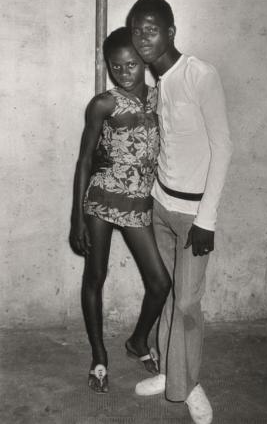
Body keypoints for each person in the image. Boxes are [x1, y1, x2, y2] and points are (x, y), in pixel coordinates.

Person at [127, 0, 233, 424]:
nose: (142, 38)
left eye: (150, 29)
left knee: (187, 302)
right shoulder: (156, 86)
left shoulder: (199, 75)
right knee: (170, 293)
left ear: (171, 31)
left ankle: (189, 385)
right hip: (161, 206)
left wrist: (206, 220)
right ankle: (172, 372)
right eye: (136, 30)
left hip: (193, 217)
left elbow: (223, 148)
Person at [70, 27, 171, 394]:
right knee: (95, 276)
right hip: (100, 201)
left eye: (131, 65)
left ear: (143, 61)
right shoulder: (103, 103)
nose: (124, 73)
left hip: (138, 204)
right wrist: (77, 217)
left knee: (160, 283)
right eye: (116, 67)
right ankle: (99, 356)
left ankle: (137, 341)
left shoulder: (161, 98)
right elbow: (84, 161)